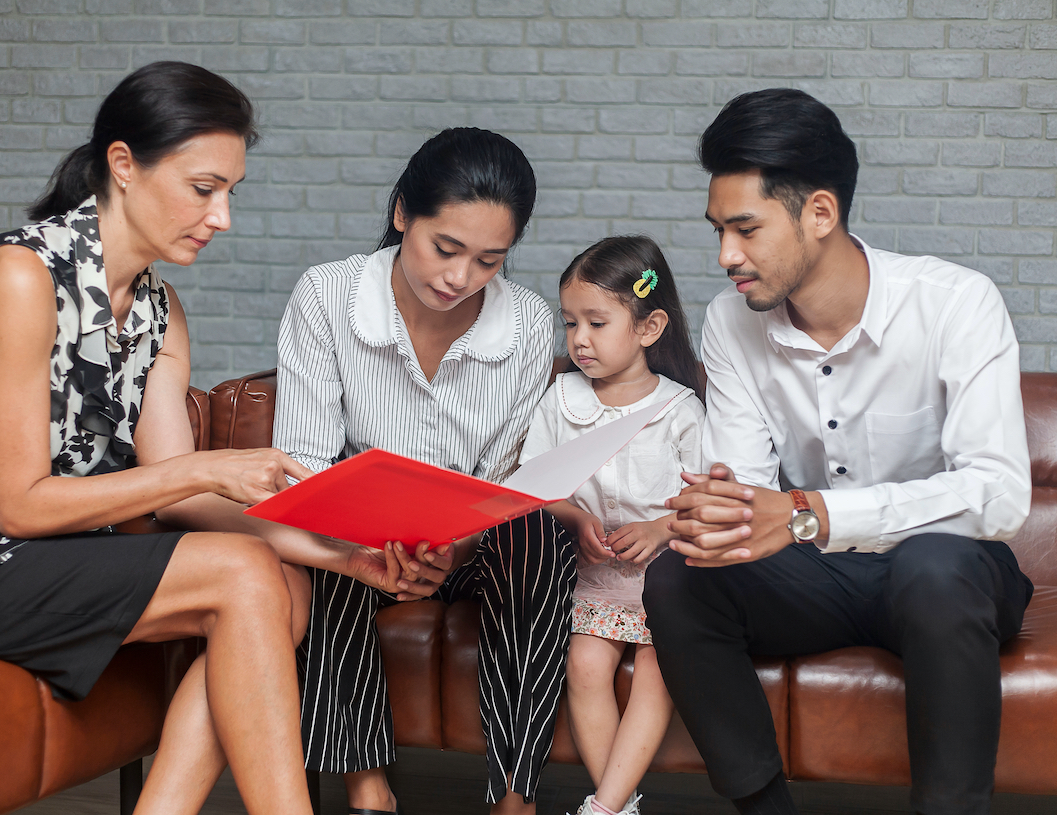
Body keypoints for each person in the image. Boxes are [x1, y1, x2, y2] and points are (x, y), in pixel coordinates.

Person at [0, 61, 410, 815]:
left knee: (283, 582)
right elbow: (20, 506)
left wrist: (341, 554)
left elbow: (180, 496)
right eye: (204, 188)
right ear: (123, 166)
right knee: (247, 576)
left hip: (50, 557)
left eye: (231, 192)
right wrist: (211, 467)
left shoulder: (161, 310)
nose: (221, 216)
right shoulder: (22, 276)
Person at [644, 88, 1034, 815]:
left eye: (746, 229)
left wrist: (804, 513)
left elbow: (1000, 494)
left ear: (819, 213)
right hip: (820, 576)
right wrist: (717, 511)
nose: (727, 255)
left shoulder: (956, 303)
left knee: (932, 564)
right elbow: (748, 494)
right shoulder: (733, 323)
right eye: (717, 230)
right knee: (680, 578)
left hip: (949, 572)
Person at [271, 127, 578, 815]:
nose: (460, 277)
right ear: (403, 211)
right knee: (326, 547)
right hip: (356, 543)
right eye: (447, 247)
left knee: (539, 538)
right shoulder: (327, 296)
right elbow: (305, 467)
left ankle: (514, 795)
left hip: (465, 547)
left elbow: (506, 480)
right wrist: (368, 545)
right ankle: (368, 791)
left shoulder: (527, 323)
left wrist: (456, 545)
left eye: (489, 260)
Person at [518, 236, 704, 815]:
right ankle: (617, 806)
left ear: (649, 328)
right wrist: (574, 517)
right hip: (596, 574)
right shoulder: (561, 399)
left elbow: (704, 498)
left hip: (664, 579)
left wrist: (660, 529)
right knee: (584, 664)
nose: (578, 340)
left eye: (597, 323)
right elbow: (534, 482)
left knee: (657, 668)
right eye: (569, 322)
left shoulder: (680, 409)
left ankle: (605, 805)